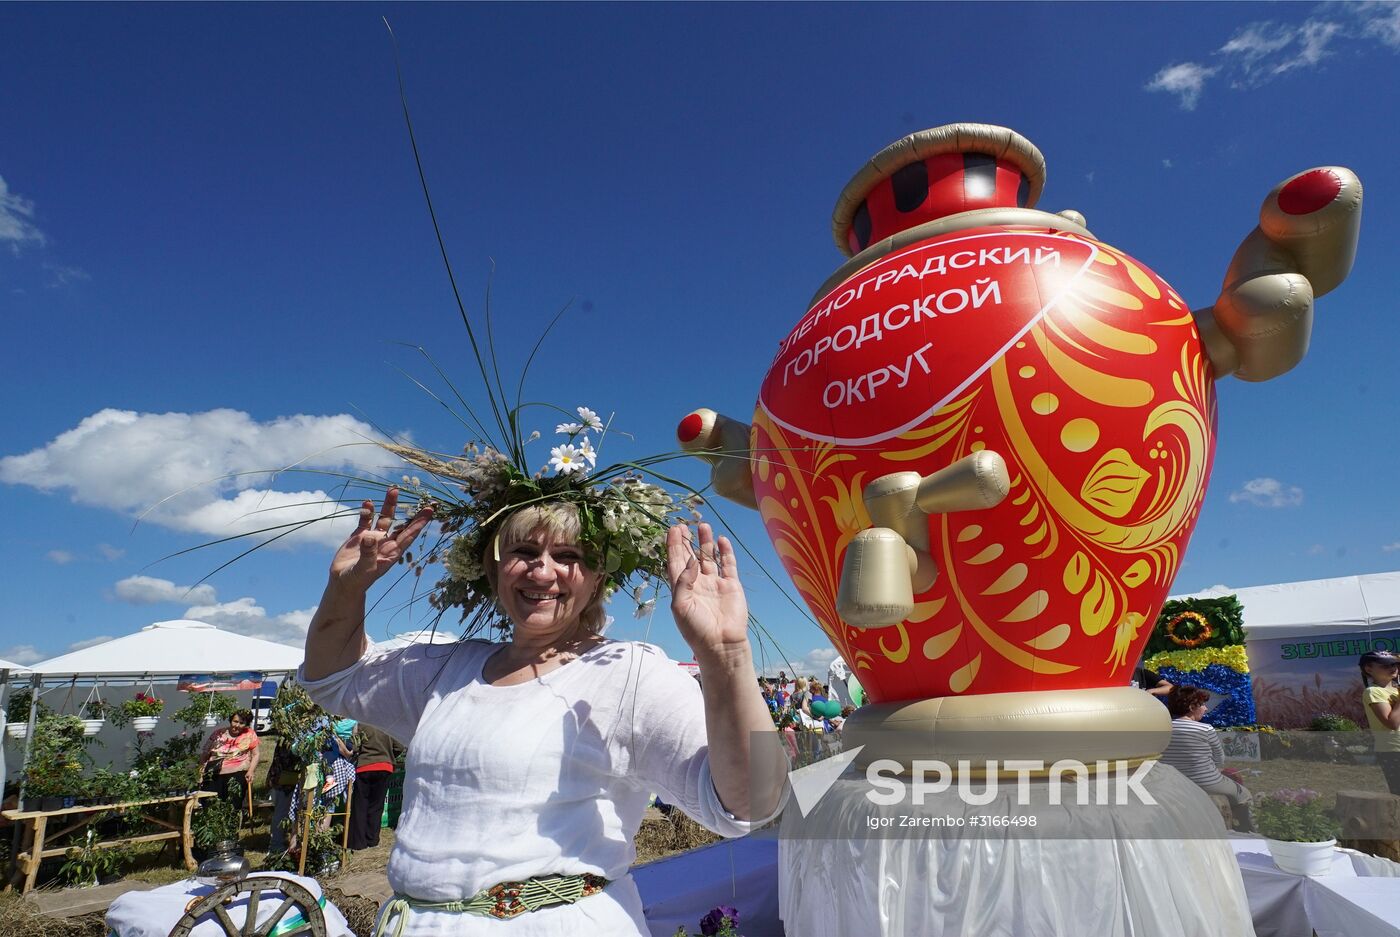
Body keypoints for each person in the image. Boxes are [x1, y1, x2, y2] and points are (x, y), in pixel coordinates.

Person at [299, 490, 787, 935]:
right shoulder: (445, 666)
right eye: (524, 553)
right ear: (493, 569)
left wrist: (727, 655)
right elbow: (332, 678)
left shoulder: (627, 672)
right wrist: (347, 588)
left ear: (597, 580)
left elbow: (752, 802)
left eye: (568, 556)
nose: (543, 570)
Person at [1159, 686, 1254, 832]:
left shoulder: (1163, 728)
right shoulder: (1205, 729)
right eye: (1203, 704)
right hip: (1207, 781)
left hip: (1175, 782)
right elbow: (1219, 758)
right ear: (1192, 707)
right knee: (1244, 794)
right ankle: (1245, 828)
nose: (1205, 708)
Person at [350, 722, 405, 851]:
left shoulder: (360, 725)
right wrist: (388, 755)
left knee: (360, 805)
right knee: (376, 805)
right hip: (384, 767)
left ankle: (358, 842)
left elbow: (355, 746)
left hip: (364, 766)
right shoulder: (389, 726)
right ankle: (372, 840)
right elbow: (400, 747)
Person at [1360, 649, 1400, 794]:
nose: (1393, 668)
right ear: (1368, 669)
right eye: (1385, 665)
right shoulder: (1373, 692)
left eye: (1394, 664)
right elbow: (1392, 724)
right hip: (1393, 750)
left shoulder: (1396, 691)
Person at [200, 709, 260, 806]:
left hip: (237, 773)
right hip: (213, 772)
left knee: (233, 804)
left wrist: (251, 771)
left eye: (241, 723)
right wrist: (202, 769)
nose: (237, 725)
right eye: (235, 721)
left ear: (246, 724)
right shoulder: (218, 734)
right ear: (230, 720)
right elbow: (205, 752)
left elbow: (256, 754)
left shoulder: (250, 734)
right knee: (210, 803)